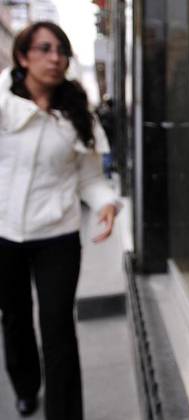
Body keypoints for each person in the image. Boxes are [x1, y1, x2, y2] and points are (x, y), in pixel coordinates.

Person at [0, 22, 120, 419]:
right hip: (5, 233)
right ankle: (25, 385)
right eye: (45, 49)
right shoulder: (2, 104)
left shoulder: (76, 113)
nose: (55, 58)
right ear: (23, 56)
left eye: (62, 51)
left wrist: (105, 204)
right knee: (15, 317)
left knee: (58, 328)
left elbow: (90, 179)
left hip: (58, 235)